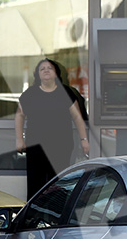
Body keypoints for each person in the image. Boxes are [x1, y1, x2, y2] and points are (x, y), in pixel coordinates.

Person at [15, 58, 90, 197]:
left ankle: (56, 216)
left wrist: (84, 139)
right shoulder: (30, 94)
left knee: (58, 182)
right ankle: (33, 216)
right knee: (35, 184)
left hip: (61, 146)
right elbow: (19, 116)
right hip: (36, 146)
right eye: (42, 69)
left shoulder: (66, 92)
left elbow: (77, 118)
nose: (46, 71)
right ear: (37, 74)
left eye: (49, 68)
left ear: (56, 73)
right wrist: (19, 139)